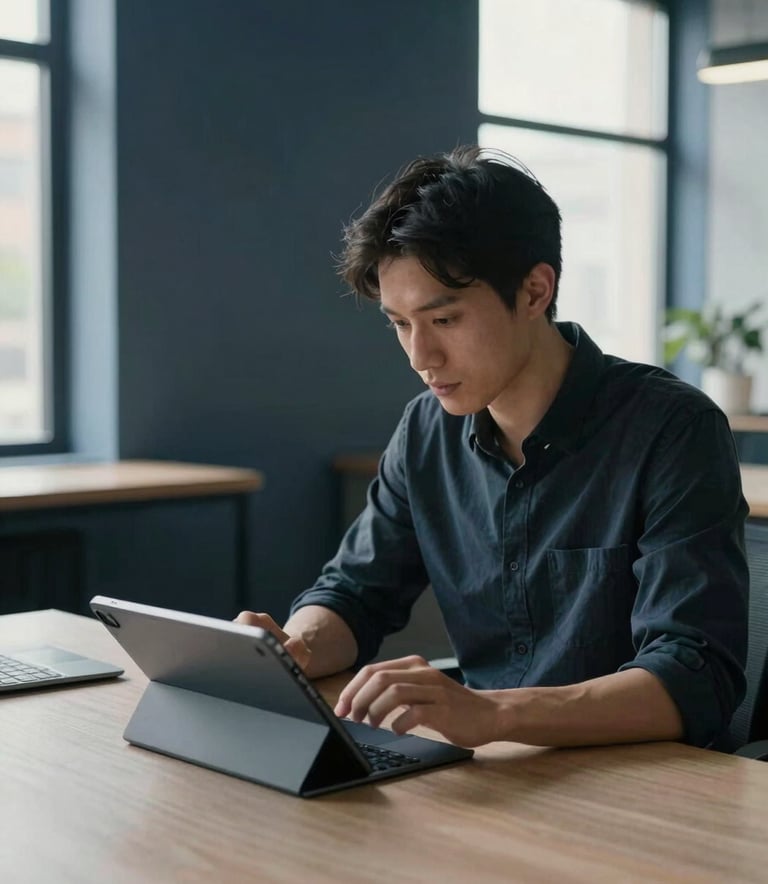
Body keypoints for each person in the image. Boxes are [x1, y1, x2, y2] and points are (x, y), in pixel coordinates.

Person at [237, 145, 748, 750]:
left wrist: (496, 714)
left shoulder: (672, 428)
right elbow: (354, 594)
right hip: (494, 775)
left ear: (535, 292)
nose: (420, 357)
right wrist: (298, 646)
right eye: (401, 324)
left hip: (639, 787)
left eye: (444, 320)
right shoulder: (427, 431)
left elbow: (696, 674)